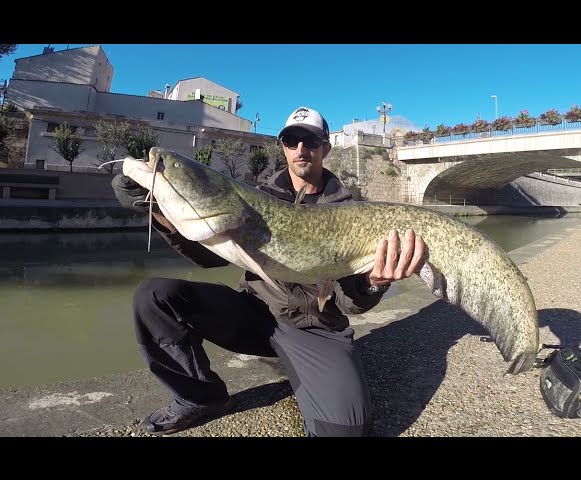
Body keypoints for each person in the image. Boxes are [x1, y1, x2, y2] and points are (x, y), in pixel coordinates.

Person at [111, 106, 425, 437]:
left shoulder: (352, 215)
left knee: (347, 431)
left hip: (313, 328)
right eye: (291, 140)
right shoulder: (254, 197)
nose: (301, 149)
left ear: (326, 148)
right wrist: (157, 208)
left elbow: (349, 305)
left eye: (311, 141)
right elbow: (211, 257)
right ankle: (199, 397)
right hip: (255, 314)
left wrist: (374, 282)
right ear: (284, 147)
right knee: (154, 296)